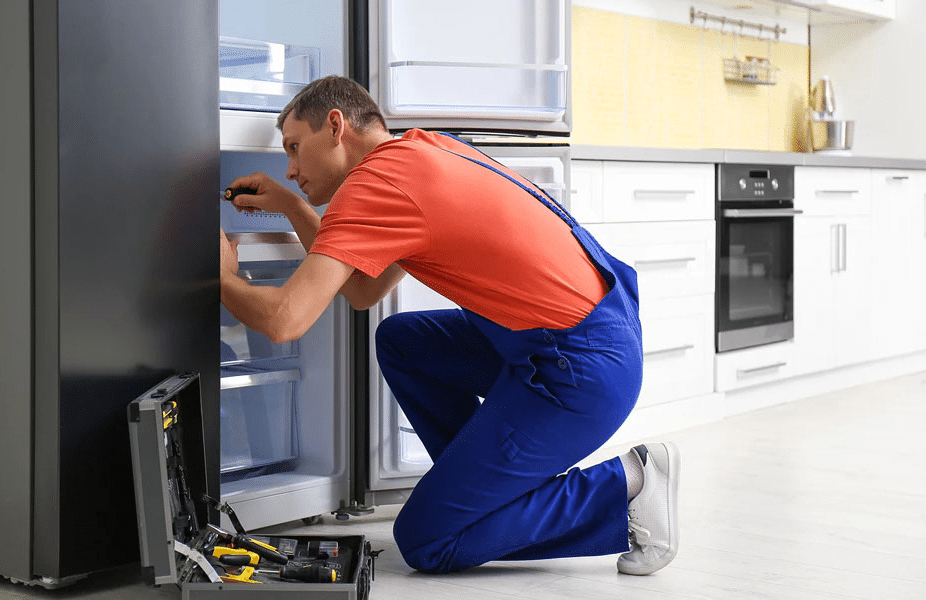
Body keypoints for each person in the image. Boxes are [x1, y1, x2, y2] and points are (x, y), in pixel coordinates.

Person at [219, 75, 680, 576]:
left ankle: (631, 482)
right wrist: (292, 208)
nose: (289, 169)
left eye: (294, 147)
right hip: (597, 337)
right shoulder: (428, 148)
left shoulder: (375, 185)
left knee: (427, 541)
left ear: (336, 125)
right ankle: (477, 491)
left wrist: (217, 275)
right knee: (402, 342)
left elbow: (285, 320)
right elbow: (363, 291)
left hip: (577, 371)